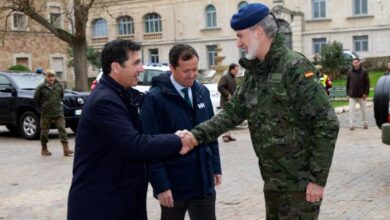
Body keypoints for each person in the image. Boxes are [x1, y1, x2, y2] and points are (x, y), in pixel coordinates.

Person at [186, 3, 340, 219]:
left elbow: (327, 122)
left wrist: (317, 179)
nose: (238, 43)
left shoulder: (294, 67)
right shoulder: (254, 73)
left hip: (300, 185)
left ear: (258, 32)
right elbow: (233, 113)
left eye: (240, 36)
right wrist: (195, 136)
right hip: (273, 182)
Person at [67, 40, 194, 220]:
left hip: (120, 202)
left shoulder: (122, 95)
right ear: (116, 67)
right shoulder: (104, 102)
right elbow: (134, 144)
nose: (141, 68)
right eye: (136, 63)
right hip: (102, 207)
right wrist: (177, 140)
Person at [140, 44, 222, 220]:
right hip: (174, 185)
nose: (192, 75)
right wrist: (161, 186)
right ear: (172, 68)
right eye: (186, 71)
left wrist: (215, 167)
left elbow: (211, 133)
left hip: (203, 181)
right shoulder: (154, 99)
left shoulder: (202, 92)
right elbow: (149, 147)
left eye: (195, 69)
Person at [34, 69, 73, 156]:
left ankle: (66, 149)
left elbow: (61, 97)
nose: (51, 78)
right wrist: (40, 109)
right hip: (46, 113)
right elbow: (36, 99)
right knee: (44, 132)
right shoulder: (41, 87)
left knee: (62, 129)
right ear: (46, 77)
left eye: (53, 76)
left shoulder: (59, 86)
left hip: (58, 112)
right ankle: (44, 149)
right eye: (49, 76)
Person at [346, 58, 370, 130]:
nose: (355, 64)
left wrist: (366, 93)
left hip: (362, 95)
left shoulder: (364, 71)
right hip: (352, 95)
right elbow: (347, 84)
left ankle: (365, 123)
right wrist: (347, 94)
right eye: (354, 63)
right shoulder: (349, 72)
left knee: (364, 110)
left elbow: (367, 83)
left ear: (359, 63)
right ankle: (352, 125)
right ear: (352, 63)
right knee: (351, 110)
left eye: (357, 62)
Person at [218, 63, 239, 142]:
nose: (237, 72)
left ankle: (228, 135)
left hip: (231, 102)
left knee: (229, 120)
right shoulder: (225, 76)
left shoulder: (232, 78)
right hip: (225, 102)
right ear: (231, 69)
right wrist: (228, 94)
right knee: (225, 120)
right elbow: (220, 87)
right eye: (236, 70)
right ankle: (225, 136)